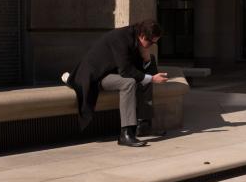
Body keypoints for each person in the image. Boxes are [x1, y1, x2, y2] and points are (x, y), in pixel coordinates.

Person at [61, 19, 168, 147]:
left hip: (113, 72)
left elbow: (150, 74)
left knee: (144, 79)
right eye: (151, 42)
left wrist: (146, 59)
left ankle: (143, 126)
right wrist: (150, 78)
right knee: (129, 83)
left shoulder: (139, 41)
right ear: (143, 36)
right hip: (97, 75)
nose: (151, 45)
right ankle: (126, 133)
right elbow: (126, 71)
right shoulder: (121, 38)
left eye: (155, 43)